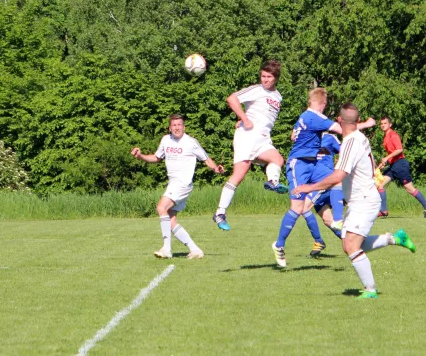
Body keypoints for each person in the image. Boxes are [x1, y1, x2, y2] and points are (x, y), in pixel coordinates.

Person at [292, 103, 416, 299]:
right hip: (361, 199)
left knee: (350, 245)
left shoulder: (350, 143)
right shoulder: (360, 138)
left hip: (364, 200)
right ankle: (395, 238)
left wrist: (309, 187)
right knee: (350, 243)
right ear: (358, 121)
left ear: (339, 121)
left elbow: (338, 176)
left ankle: (371, 290)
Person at [272, 89, 374, 267]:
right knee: (298, 207)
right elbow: (344, 128)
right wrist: (366, 124)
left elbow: (292, 135)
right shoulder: (314, 117)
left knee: (334, 180)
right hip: (300, 164)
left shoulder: (305, 116)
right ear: (323, 104)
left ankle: (346, 238)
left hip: (313, 165)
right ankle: (279, 245)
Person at [131, 114, 224, 259]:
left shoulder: (191, 142)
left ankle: (167, 249)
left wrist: (215, 168)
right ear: (170, 128)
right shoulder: (165, 140)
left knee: (161, 208)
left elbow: (205, 158)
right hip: (173, 183)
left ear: (184, 127)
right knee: (171, 220)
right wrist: (140, 156)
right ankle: (195, 250)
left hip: (182, 183)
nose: (177, 128)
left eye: (179, 125)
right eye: (174, 125)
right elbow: (156, 158)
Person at [213, 60, 288, 231]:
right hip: (247, 136)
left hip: (263, 139)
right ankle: (220, 213)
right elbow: (231, 99)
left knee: (277, 159)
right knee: (240, 174)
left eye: (269, 77)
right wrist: (245, 119)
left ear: (276, 78)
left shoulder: (278, 96)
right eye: (263, 76)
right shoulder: (257, 89)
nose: (265, 79)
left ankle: (272, 182)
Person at [376, 116, 426, 218]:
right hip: (393, 165)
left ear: (390, 124)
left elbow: (399, 149)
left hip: (400, 165)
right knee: (379, 184)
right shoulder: (385, 137)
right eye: (381, 124)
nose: (383, 125)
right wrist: (381, 165)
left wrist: (386, 158)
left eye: (385, 123)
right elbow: (390, 154)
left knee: (410, 189)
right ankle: (383, 210)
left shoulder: (393, 135)